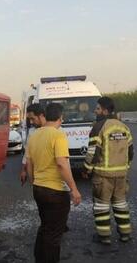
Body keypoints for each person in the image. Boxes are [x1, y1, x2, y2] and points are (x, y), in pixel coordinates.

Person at [26, 103, 81, 263]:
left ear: (45, 115)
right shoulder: (58, 135)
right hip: (55, 192)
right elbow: (62, 164)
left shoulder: (34, 136)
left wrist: (34, 183)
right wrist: (74, 189)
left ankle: (39, 259)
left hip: (39, 188)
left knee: (45, 228)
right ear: (60, 117)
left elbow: (29, 164)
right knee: (54, 235)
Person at [83, 97, 134, 245]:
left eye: (98, 108)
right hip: (122, 174)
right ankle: (125, 233)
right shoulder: (124, 127)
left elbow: (92, 152)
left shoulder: (99, 127)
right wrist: (126, 168)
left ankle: (104, 236)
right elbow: (131, 152)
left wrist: (86, 169)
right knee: (120, 204)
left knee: (101, 206)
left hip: (103, 175)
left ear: (105, 111)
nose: (95, 111)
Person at [19, 104, 46, 185]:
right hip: (37, 178)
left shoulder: (57, 131)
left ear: (41, 116)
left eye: (32, 119)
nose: (31, 122)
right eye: (29, 119)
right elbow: (27, 153)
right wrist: (23, 170)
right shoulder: (32, 132)